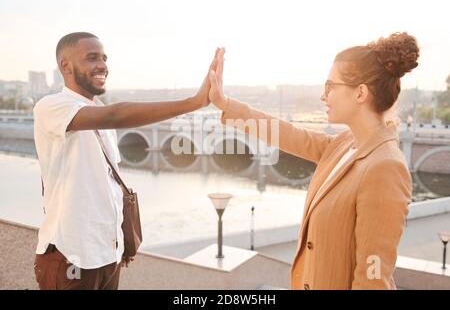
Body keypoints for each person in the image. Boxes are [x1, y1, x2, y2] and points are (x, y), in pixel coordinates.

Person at [208, 32, 419, 289]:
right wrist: (224, 103)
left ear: (360, 92)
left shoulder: (385, 167)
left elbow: (373, 276)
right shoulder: (345, 145)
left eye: (331, 87)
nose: (323, 96)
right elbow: (289, 135)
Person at [33, 32, 217, 290]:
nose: (103, 66)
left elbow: (108, 184)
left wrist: (119, 241)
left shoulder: (99, 112)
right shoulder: (51, 106)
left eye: (104, 58)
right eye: (92, 58)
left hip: (107, 255)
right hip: (70, 257)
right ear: (65, 65)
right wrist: (194, 102)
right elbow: (116, 115)